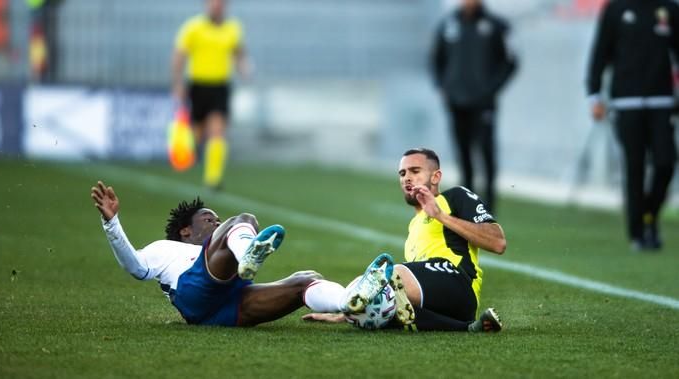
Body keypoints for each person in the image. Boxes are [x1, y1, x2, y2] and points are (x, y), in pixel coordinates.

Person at [90, 181, 386, 327]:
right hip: (195, 293)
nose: (216, 223)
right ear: (185, 230)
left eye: (217, 222)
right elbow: (134, 268)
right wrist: (111, 222)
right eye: (209, 220)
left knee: (304, 280)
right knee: (243, 219)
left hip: (228, 307)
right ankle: (248, 252)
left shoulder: (219, 251)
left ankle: (347, 301)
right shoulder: (166, 249)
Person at [303, 148, 507, 332]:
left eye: (415, 171)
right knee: (376, 311)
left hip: (459, 283)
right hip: (443, 310)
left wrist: (440, 215)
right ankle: (470, 328)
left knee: (386, 276)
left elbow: (498, 242)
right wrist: (348, 315)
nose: (407, 178)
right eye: (402, 173)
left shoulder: (454, 197)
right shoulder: (412, 231)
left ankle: (338, 299)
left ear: (435, 177)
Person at [587, 0, 679, 251]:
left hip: (662, 100)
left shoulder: (669, 9)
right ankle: (638, 233)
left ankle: (649, 213)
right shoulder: (616, 9)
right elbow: (600, 52)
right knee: (635, 166)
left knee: (665, 163)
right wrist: (594, 95)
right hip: (626, 101)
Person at [431, 0, 517, 213]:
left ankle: (489, 202)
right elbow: (436, 59)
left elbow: (511, 61)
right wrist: (443, 86)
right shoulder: (448, 24)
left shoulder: (496, 25)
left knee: (485, 149)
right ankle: (468, 199)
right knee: (463, 150)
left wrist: (491, 89)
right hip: (456, 101)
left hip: (483, 102)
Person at [171, 0, 250, 190]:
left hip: (220, 87)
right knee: (197, 135)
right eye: (213, 3)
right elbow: (179, 56)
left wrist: (244, 67)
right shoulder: (193, 28)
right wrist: (178, 83)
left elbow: (238, 52)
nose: (217, 6)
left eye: (220, 3)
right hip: (198, 86)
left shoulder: (233, 28)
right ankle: (185, 154)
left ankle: (213, 179)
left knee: (217, 130)